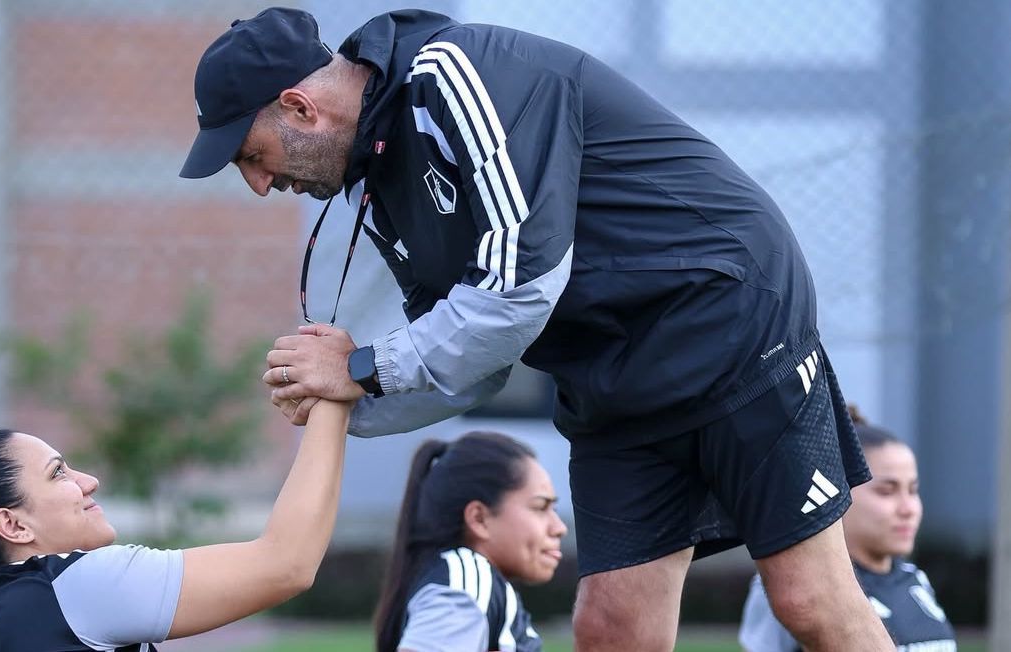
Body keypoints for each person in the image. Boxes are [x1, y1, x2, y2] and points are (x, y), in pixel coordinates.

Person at [179, 7, 893, 650]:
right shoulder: (385, 182)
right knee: (611, 629)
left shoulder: (453, 77)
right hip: (609, 376)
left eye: (251, 156)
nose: (260, 185)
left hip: (727, 320)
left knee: (809, 602)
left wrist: (360, 369)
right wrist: (344, 403)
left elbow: (518, 290)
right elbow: (471, 358)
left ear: (300, 107)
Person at [0, 398, 351, 652]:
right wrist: (332, 396)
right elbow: (286, 564)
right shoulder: (76, 587)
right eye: (58, 473)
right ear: (13, 525)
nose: (89, 481)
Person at [738, 408, 957, 652]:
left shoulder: (915, 579)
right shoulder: (792, 583)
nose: (908, 509)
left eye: (913, 490)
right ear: (840, 491)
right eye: (887, 491)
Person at [373, 432, 567, 652]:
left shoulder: (473, 583)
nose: (559, 527)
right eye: (540, 507)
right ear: (479, 518)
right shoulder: (468, 581)